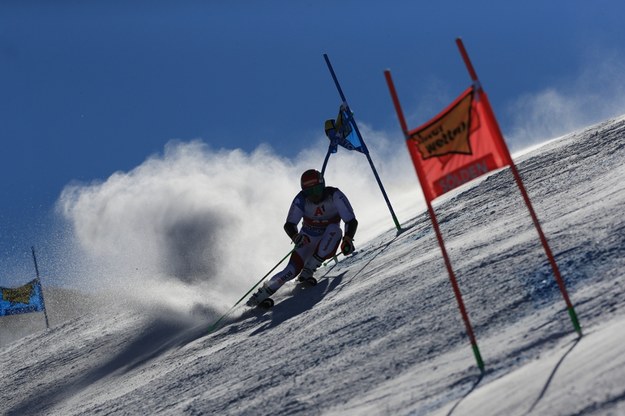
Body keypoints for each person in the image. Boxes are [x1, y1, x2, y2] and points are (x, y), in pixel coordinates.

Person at [246, 169, 358, 307]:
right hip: (307, 238)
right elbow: (290, 224)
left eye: (316, 189)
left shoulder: (335, 195)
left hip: (328, 238)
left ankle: (309, 269)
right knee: (291, 271)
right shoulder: (301, 199)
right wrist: (296, 236)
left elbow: (351, 220)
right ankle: (261, 295)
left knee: (334, 230)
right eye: (309, 192)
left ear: (323, 186)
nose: (314, 195)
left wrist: (348, 238)